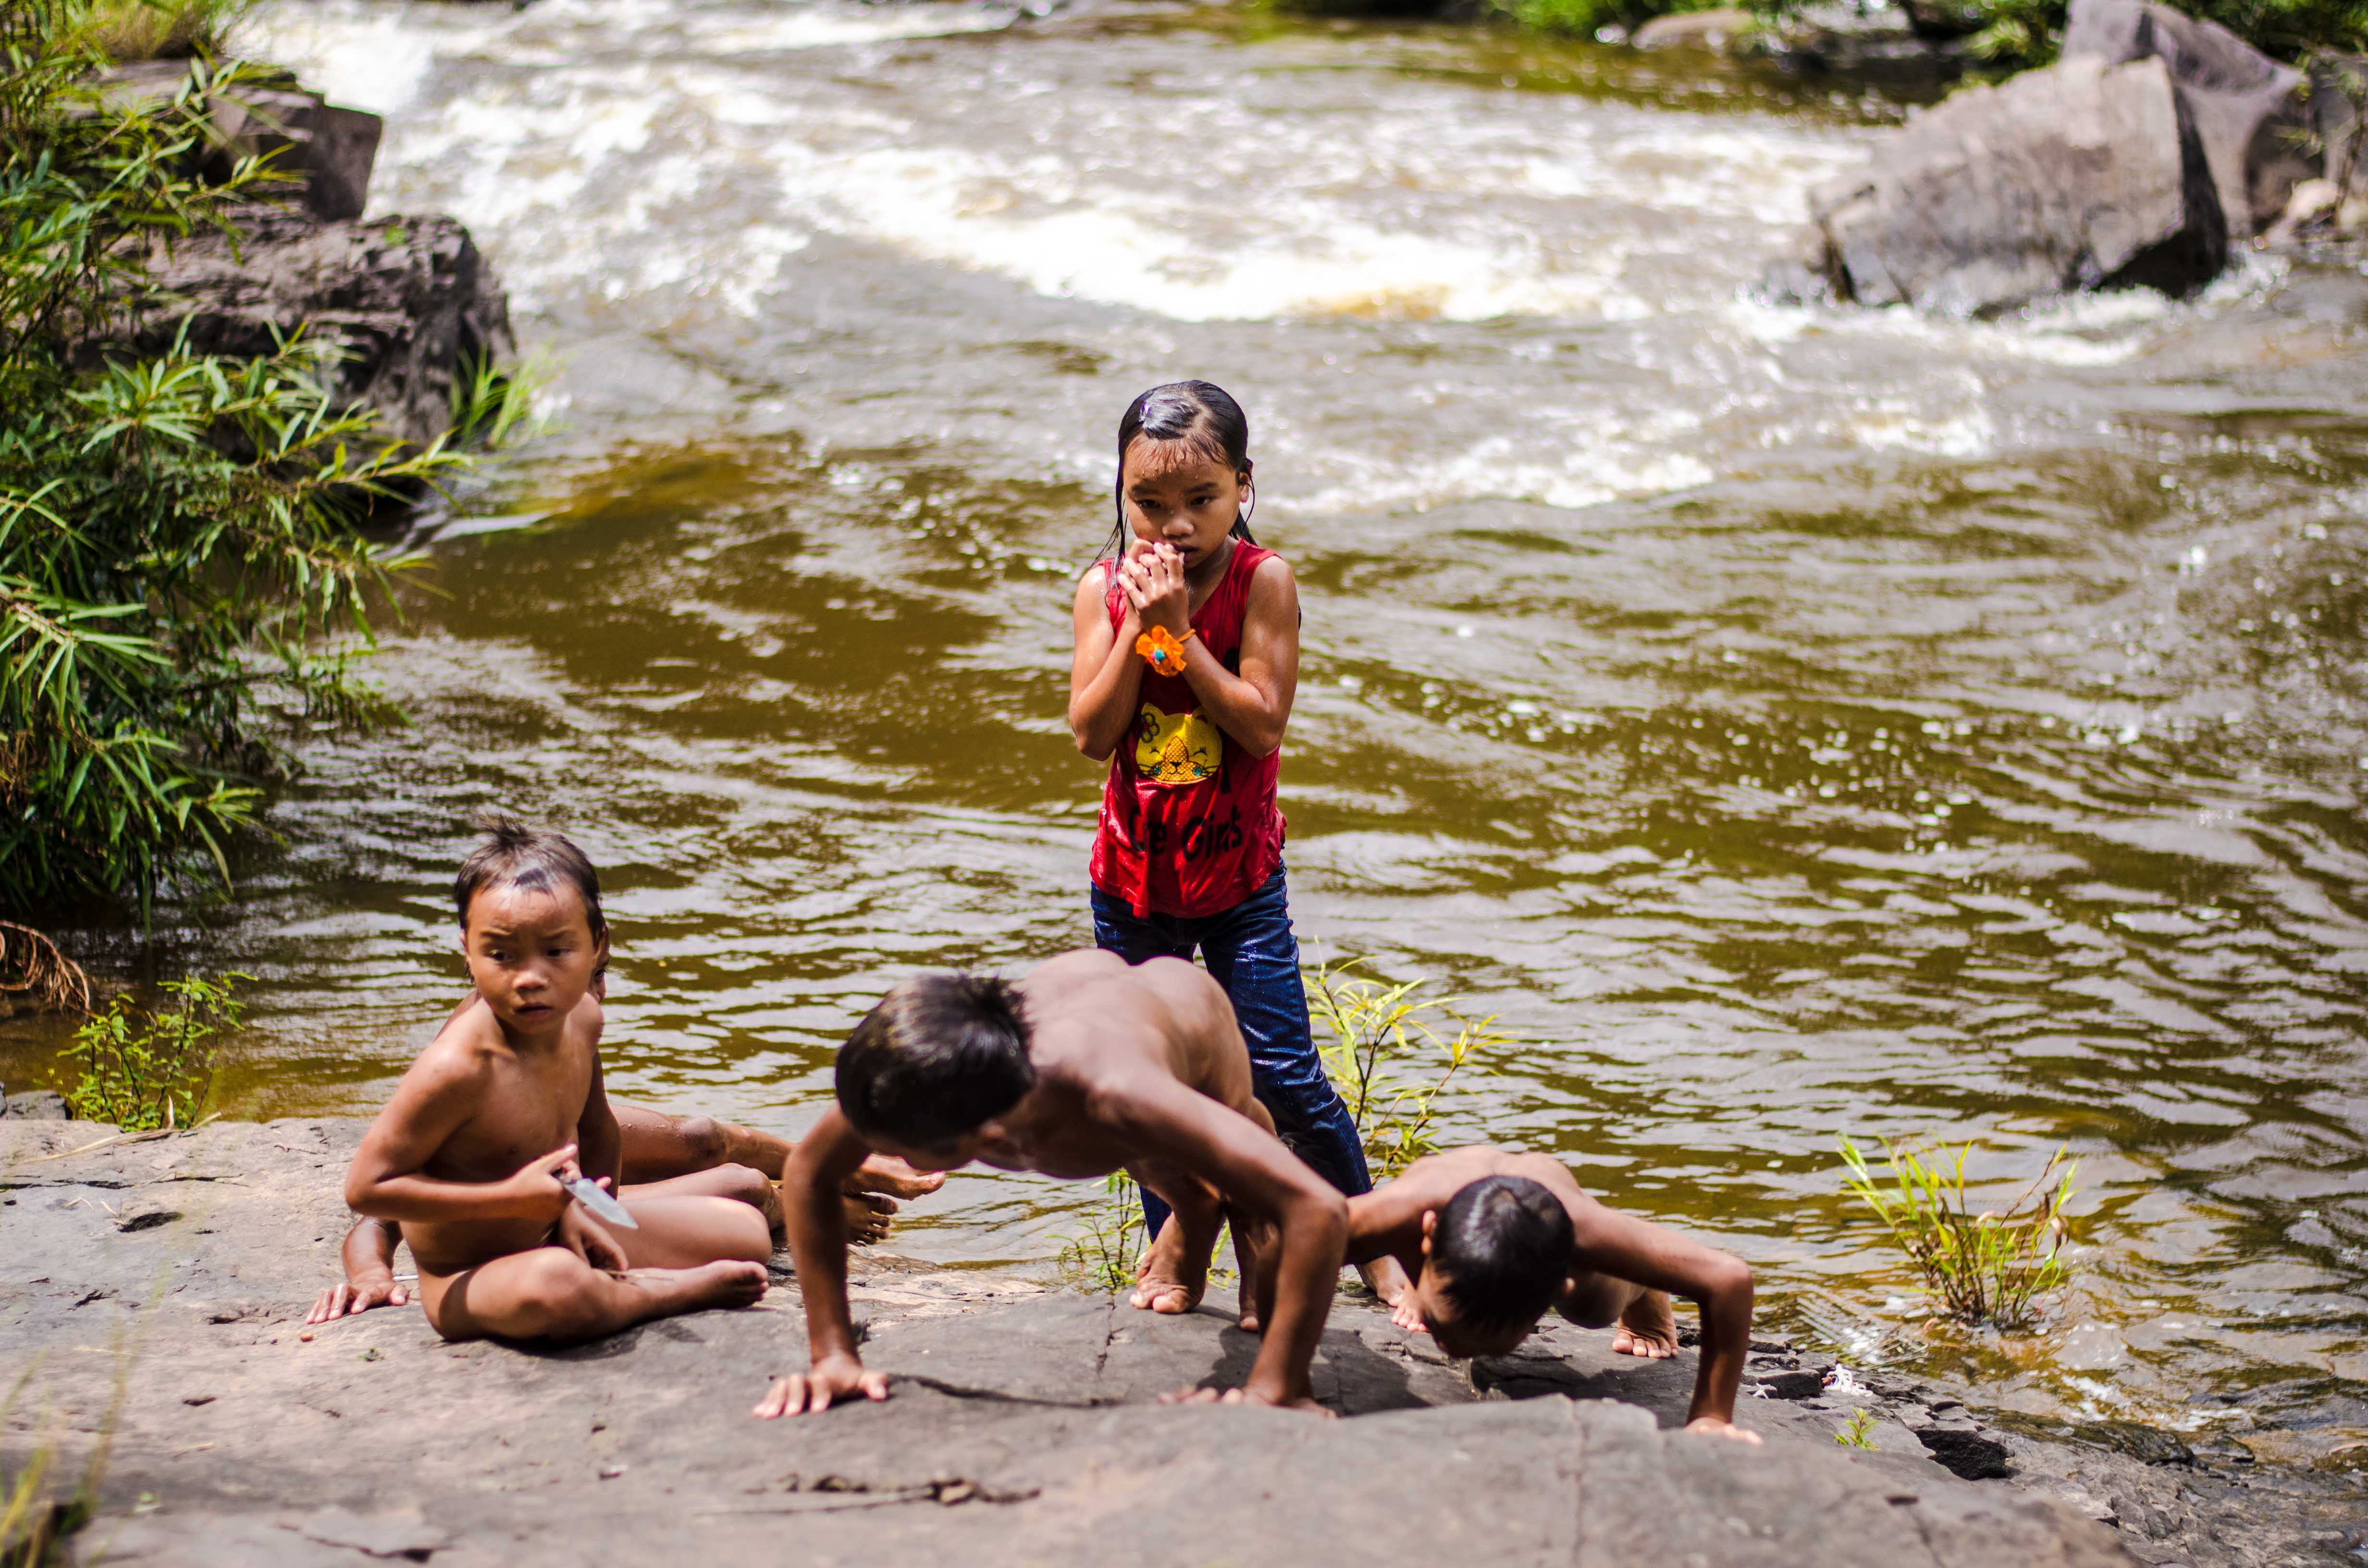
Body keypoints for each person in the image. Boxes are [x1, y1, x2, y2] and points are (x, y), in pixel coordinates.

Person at [1066, 380, 1400, 1300]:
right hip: (1133, 883)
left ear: (1243, 486)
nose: (1173, 525)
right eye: (1148, 502)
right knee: (1148, 1078)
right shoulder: (1102, 589)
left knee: (1284, 1073)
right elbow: (1092, 733)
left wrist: (1181, 637)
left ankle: (1373, 1245)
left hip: (1239, 881)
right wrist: (1139, 627)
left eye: (1201, 499)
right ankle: (1174, 1249)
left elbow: (1259, 725)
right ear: (1120, 491)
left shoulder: (1263, 582)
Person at [751, 951, 1349, 1418]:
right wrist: (833, 1355)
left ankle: (1224, 1215)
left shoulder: (1115, 1095)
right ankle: (1192, 1215)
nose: (872, 1152)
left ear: (983, 1138)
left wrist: (1276, 1387)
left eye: (891, 1145)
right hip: (1078, 997)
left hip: (1184, 1009)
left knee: (1231, 1169)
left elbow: (1317, 1207)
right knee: (1149, 1154)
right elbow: (809, 1172)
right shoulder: (922, 1080)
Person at [341, 818, 772, 1344]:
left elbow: (596, 1129)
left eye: (556, 951)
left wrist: (579, 1215)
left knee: (747, 1231)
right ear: (467, 950)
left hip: (550, 1230)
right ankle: (660, 1293)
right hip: (469, 1277)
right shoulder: (456, 1067)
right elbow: (366, 1189)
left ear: (596, 945)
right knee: (556, 1283)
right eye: (501, 955)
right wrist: (510, 1200)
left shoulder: (582, 1019)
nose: (530, 978)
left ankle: (603, 1278)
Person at [309, 1102, 946, 1324]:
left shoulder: (575, 1035)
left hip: (582, 1198)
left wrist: (579, 1205)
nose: (540, 982)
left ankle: (822, 1164)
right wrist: (370, 1274)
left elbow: (596, 1182)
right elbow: (378, 1211)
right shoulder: (469, 1066)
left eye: (568, 959)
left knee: (699, 1138)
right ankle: (799, 1198)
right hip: (545, 1221)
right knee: (747, 1191)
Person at [1346, 1146, 1761, 1442]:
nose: (1454, 1351)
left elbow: (1729, 1279)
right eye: (1444, 1329)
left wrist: (1712, 1417)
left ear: (1555, 1289)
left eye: (1492, 1344)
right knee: (1405, 1234)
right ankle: (1424, 1282)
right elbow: (1313, 1224)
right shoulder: (1404, 1213)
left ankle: (1644, 1286)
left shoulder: (1583, 1233)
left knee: (1595, 1308)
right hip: (1436, 1211)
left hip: (1548, 1203)